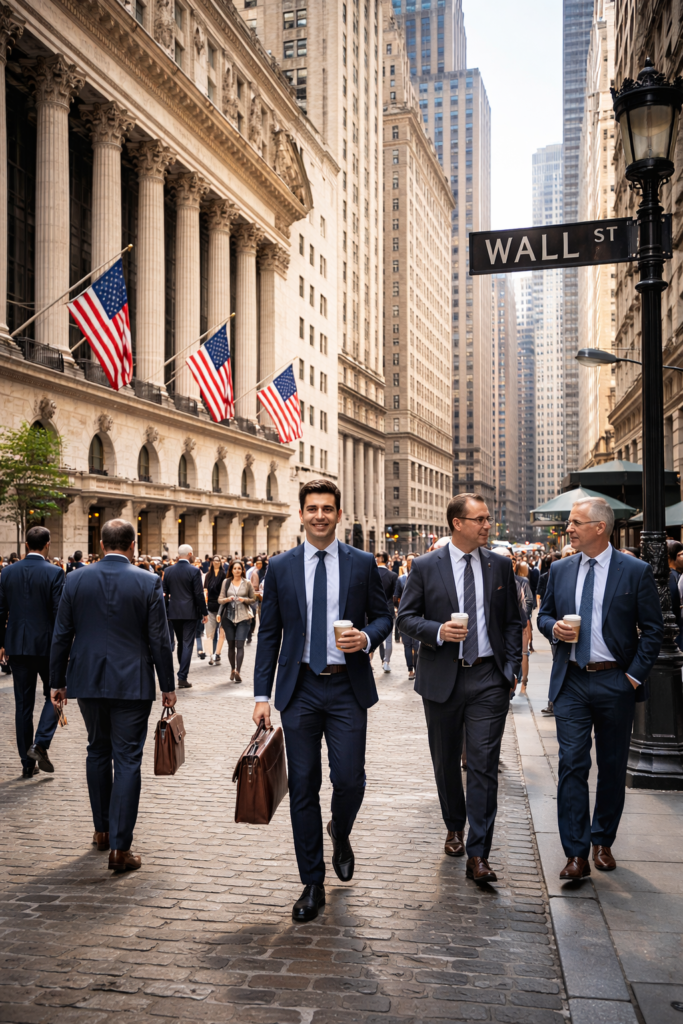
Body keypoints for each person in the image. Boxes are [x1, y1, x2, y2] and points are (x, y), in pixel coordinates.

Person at [253, 479, 392, 922]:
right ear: (301, 514)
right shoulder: (281, 566)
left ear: (338, 514)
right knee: (303, 786)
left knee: (350, 780)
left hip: (347, 687)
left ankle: (341, 830)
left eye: (327, 509)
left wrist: (367, 637)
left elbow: (384, 616)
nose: (319, 515)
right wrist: (261, 695)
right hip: (300, 689)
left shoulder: (362, 562)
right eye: (312, 508)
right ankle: (312, 882)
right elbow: (270, 633)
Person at [397, 493, 522, 884]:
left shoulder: (500, 566)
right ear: (457, 523)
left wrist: (512, 666)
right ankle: (454, 824)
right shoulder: (425, 566)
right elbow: (405, 618)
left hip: (488, 678)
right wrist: (437, 631)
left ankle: (479, 852)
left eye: (487, 519)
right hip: (442, 679)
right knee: (446, 760)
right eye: (480, 519)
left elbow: (514, 622)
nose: (488, 525)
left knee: (483, 765)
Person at [538, 498, 663, 880]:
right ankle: (575, 853)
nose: (569, 529)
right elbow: (544, 614)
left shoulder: (635, 571)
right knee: (572, 764)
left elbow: (654, 631)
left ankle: (603, 840)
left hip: (615, 680)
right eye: (569, 523)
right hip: (572, 679)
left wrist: (631, 677)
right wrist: (552, 628)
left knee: (611, 766)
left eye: (576, 522)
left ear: (599, 528)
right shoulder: (559, 570)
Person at [50, 519, 176, 871]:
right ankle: (120, 847)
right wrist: (167, 685)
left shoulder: (74, 579)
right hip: (132, 682)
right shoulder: (149, 581)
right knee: (128, 759)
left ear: (102, 545)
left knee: (97, 749)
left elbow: (61, 635)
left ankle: (102, 831)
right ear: (132, 545)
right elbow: (160, 640)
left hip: (87, 678)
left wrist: (57, 681)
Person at [0, 526, 65, 777]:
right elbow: (60, 614)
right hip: (48, 646)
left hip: (17, 646)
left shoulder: (7, 573)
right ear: (47, 544)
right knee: (56, 694)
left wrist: (2, 643)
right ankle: (40, 742)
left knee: (23, 706)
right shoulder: (54, 573)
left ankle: (27, 764)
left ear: (27, 545)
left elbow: (0, 611)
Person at [162, 544, 208, 688]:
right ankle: (182, 676)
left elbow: (164, 593)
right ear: (189, 553)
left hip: (174, 612)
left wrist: (165, 611)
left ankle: (182, 674)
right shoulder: (194, 571)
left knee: (182, 642)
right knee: (187, 643)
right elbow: (199, 594)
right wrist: (204, 612)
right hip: (189, 612)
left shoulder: (168, 570)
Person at [217, 560, 256, 682]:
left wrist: (244, 600)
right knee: (231, 645)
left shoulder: (247, 583)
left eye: (239, 568)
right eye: (235, 568)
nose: (237, 570)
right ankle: (232, 669)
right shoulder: (226, 582)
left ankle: (238, 671)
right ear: (231, 570)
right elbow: (220, 599)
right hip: (228, 618)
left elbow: (253, 599)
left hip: (243, 617)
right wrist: (227, 599)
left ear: (242, 570)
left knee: (240, 645)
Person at [375, 552, 397, 672]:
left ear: (380, 558)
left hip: (374, 608)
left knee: (377, 636)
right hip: (388, 607)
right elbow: (394, 594)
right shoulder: (392, 575)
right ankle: (386, 661)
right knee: (388, 638)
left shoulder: (372, 573)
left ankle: (380, 658)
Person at [205, 556, 227, 665]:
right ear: (212, 562)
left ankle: (217, 654)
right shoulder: (208, 575)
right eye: (215, 560)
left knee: (221, 633)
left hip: (222, 607)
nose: (216, 562)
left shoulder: (224, 575)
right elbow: (205, 590)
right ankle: (210, 656)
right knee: (210, 633)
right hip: (210, 606)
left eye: (218, 560)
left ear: (221, 562)